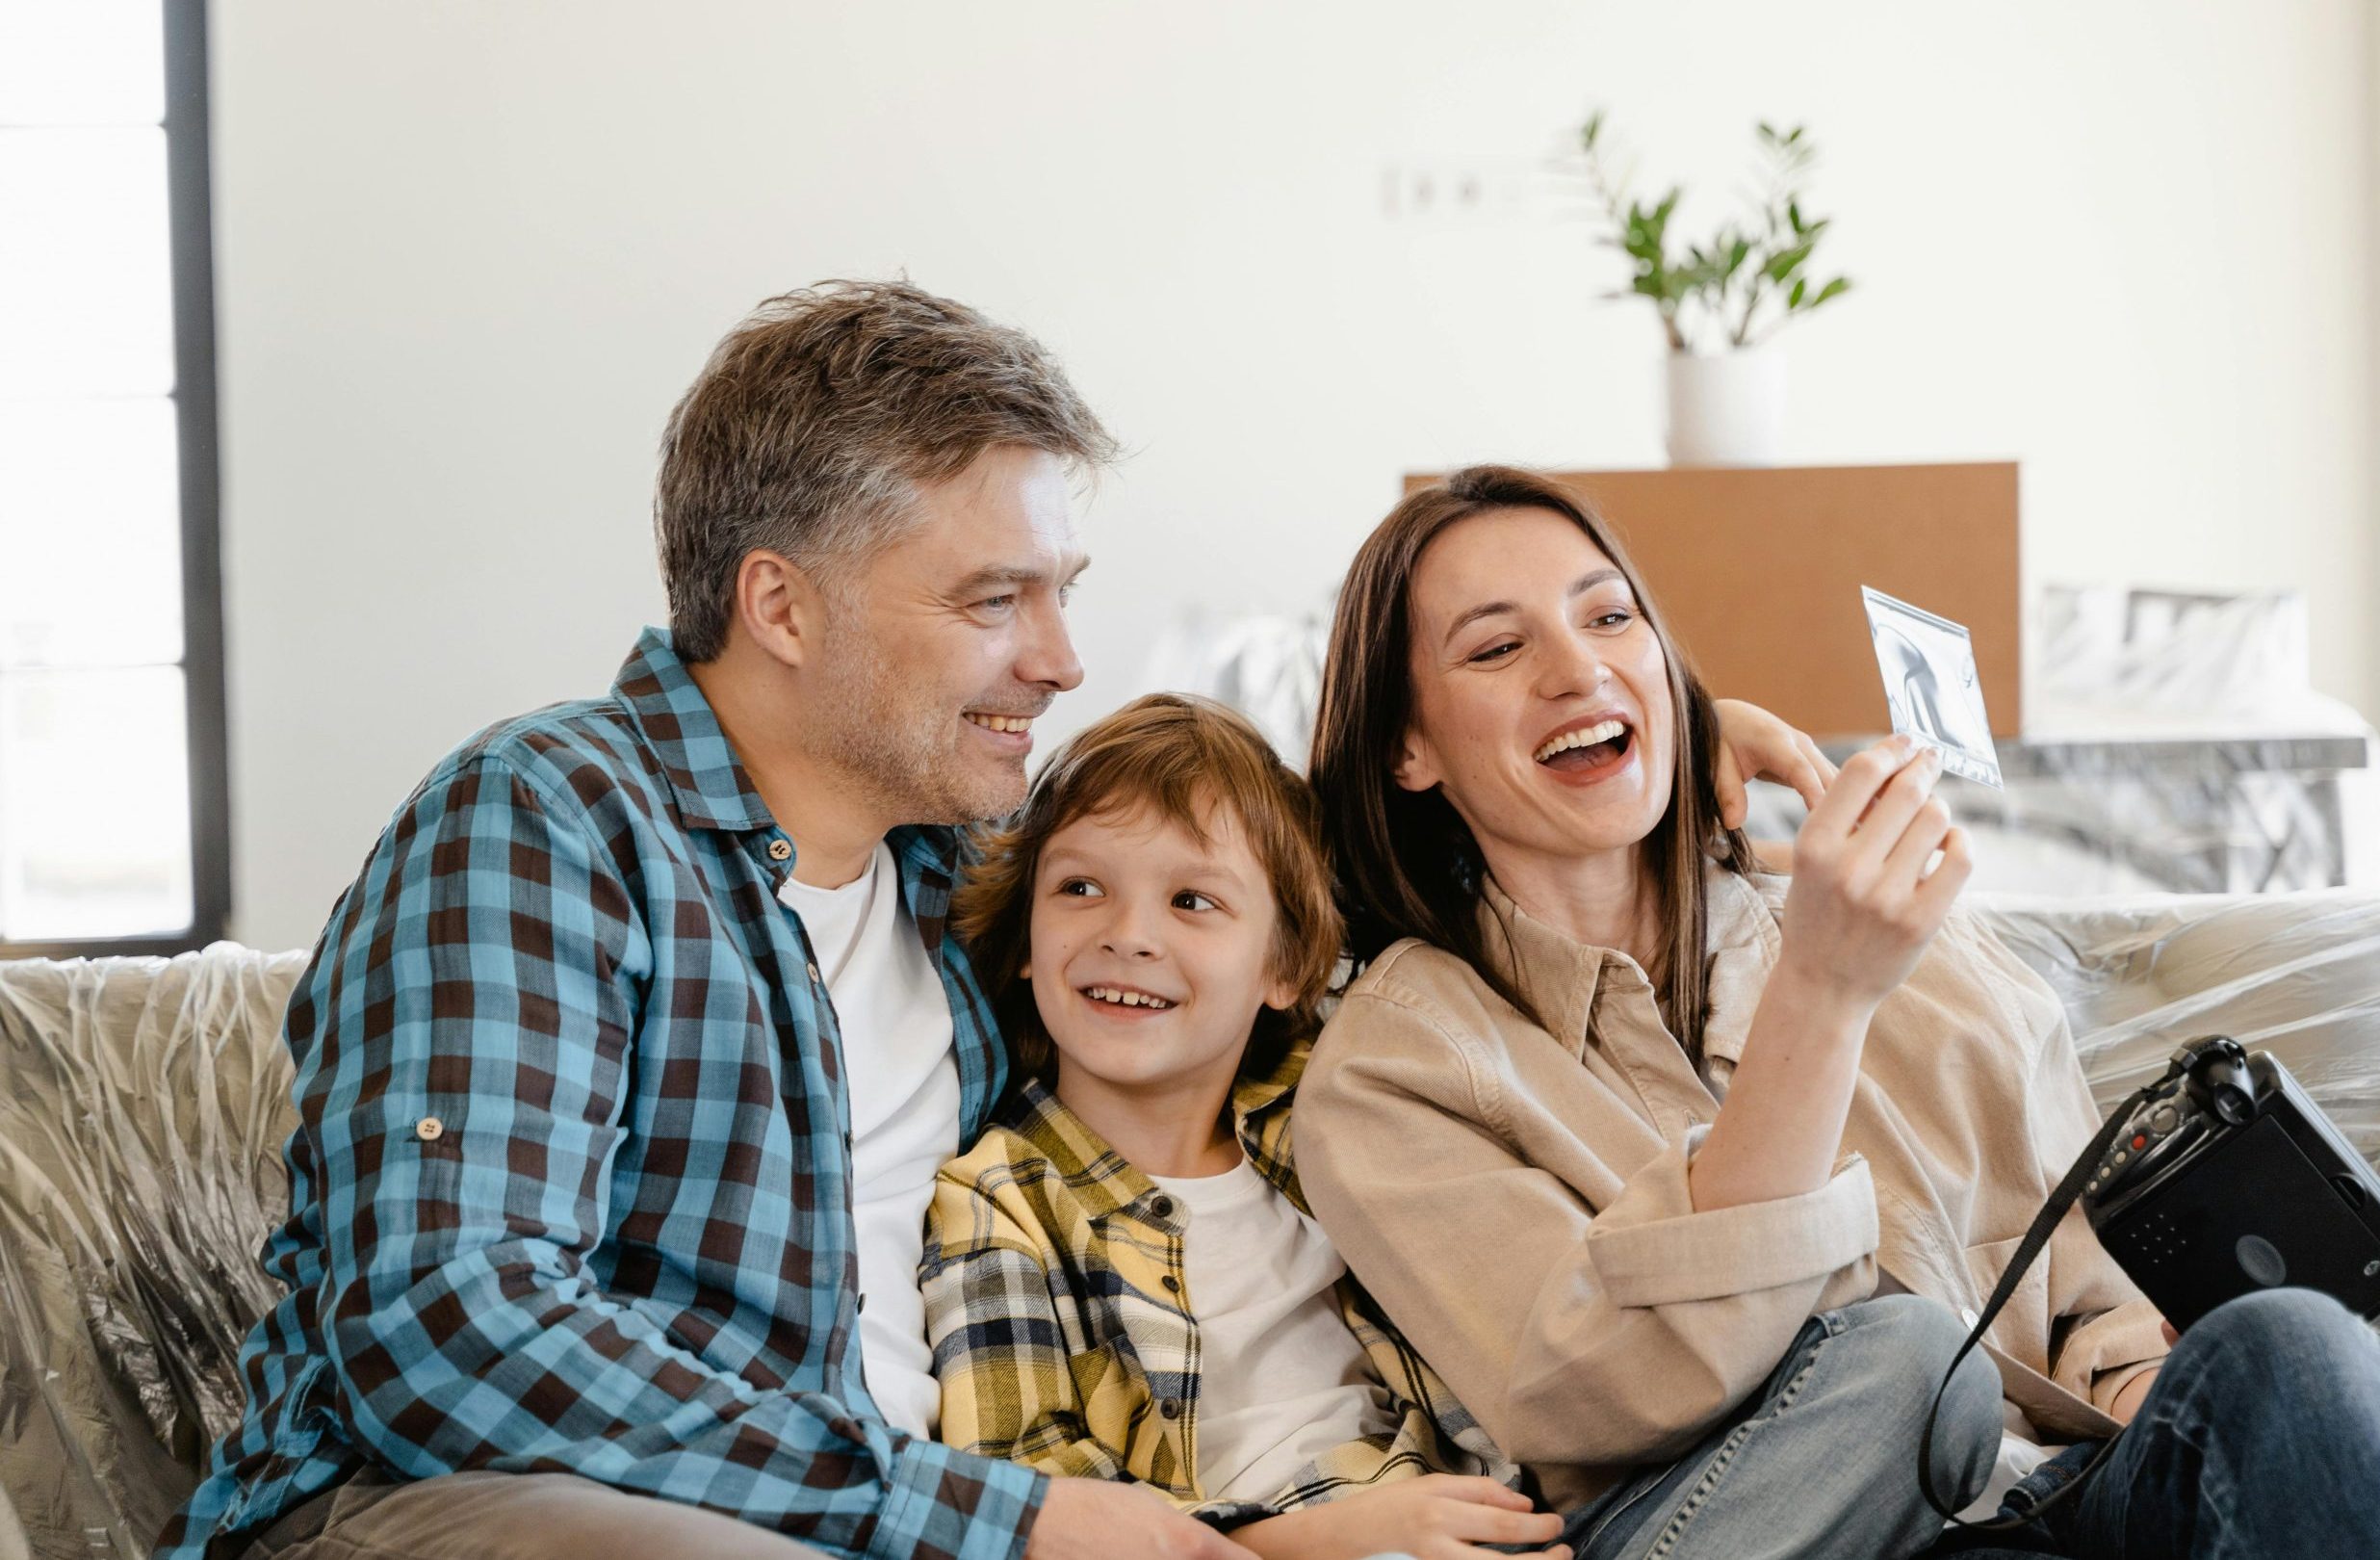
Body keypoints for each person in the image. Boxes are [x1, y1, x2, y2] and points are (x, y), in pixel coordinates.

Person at [157, 283, 1829, 1560]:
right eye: (991, 600)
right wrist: (994, 1519)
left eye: (1064, 595)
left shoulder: (975, 876)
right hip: (463, 1515)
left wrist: (1658, 747)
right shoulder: (551, 820)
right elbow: (447, 1328)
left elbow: (1260, 874)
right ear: (779, 603)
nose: (1058, 658)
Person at [1293, 463, 2380, 1560]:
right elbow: (1597, 1396)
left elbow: (2087, 1292)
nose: (1578, 669)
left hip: (2064, 1491)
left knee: (2298, 1348)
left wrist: (2143, 1381)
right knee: (1909, 1365)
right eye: (1497, 648)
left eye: (1608, 618)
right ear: (1405, 747)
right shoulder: (1393, 1069)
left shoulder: (1910, 937)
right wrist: (1821, 995)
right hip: (1803, 1522)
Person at [923, 692, 1565, 1560]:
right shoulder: (1000, 1199)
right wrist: (1334, 1538)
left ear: (1288, 967)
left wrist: (1700, 752)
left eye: (1193, 901)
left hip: (1496, 1513)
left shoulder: (1334, 1104)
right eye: (1080, 887)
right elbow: (1035, 1498)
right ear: (1028, 934)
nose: (1129, 934)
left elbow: (1494, 889)